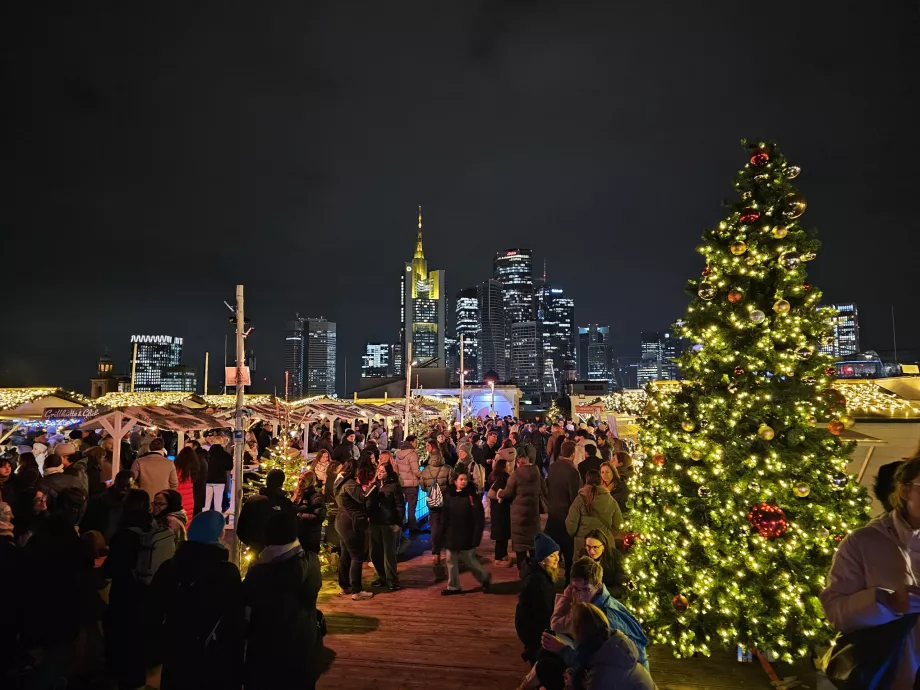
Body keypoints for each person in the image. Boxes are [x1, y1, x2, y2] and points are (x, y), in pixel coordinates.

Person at [820, 455, 920, 689]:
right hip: (889, 675)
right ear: (906, 492)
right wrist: (887, 603)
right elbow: (836, 611)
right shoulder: (862, 543)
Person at [151, 510, 244, 690]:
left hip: (177, 649)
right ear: (218, 536)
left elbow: (153, 610)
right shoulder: (226, 573)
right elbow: (235, 622)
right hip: (214, 654)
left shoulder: (170, 568)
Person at [104, 489, 175, 689]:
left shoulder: (124, 532)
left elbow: (113, 566)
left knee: (123, 636)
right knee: (139, 636)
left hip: (124, 590)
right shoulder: (152, 528)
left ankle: (124, 678)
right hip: (147, 590)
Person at [244, 511, 322, 690]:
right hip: (301, 637)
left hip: (264, 641)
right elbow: (311, 594)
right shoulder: (310, 561)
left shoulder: (258, 568)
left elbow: (248, 601)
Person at [549, 557, 648, 670]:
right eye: (575, 588)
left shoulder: (600, 616)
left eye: (586, 589)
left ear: (599, 586)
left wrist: (563, 650)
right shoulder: (599, 601)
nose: (580, 596)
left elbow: (594, 660)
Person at [552, 602, 656, 690]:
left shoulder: (600, 676)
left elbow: (603, 680)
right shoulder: (617, 644)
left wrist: (572, 685)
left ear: (579, 632)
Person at [441, 469, 491, 595]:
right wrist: (441, 532)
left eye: (465, 479)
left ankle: (484, 576)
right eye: (461, 479)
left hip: (466, 533)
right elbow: (444, 516)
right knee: (450, 560)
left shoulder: (471, 496)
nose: (463, 482)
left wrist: (476, 536)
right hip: (452, 533)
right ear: (455, 481)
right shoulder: (449, 495)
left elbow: (478, 518)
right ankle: (453, 586)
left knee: (469, 560)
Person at [515, 532, 562, 664]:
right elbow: (544, 611)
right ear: (542, 560)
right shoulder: (539, 581)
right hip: (532, 629)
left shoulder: (540, 574)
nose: (557, 559)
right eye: (552, 556)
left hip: (528, 626)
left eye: (558, 554)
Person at [334, 459, 377, 599]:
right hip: (351, 522)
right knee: (356, 556)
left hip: (341, 520)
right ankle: (356, 590)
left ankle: (344, 585)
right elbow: (362, 498)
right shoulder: (351, 484)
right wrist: (374, 486)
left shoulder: (339, 482)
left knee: (345, 555)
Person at [498, 451, 548, 570]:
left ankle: (523, 570)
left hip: (518, 513)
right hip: (533, 512)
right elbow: (545, 491)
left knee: (520, 543)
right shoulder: (537, 473)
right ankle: (535, 569)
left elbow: (508, 492)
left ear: (519, 463)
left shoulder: (516, 474)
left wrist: (500, 493)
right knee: (533, 541)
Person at [546, 440, 582, 581]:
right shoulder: (572, 471)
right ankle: (568, 580)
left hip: (553, 512)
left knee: (554, 549)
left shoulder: (553, 466)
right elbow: (574, 496)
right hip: (566, 515)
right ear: (573, 454)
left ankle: (550, 578)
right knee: (568, 551)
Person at [566, 469, 622, 557]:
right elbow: (618, 523)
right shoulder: (610, 499)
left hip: (584, 545)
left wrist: (577, 536)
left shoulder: (580, 499)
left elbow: (570, 524)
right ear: (601, 481)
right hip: (604, 542)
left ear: (586, 481)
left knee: (584, 567)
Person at [236, 469, 293, 554]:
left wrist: (253, 544)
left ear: (267, 481)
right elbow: (291, 528)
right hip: (278, 553)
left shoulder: (253, 500)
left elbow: (241, 528)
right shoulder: (285, 503)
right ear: (281, 483)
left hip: (256, 551)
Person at [368, 461, 405, 590]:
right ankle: (379, 577)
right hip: (375, 522)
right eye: (378, 470)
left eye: (382, 471)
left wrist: (398, 523)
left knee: (389, 553)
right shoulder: (374, 486)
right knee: (375, 552)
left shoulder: (394, 487)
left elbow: (400, 506)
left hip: (388, 523)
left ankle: (392, 579)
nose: (379, 473)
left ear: (388, 473)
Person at [420, 439, 452, 565]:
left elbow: (422, 486)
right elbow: (451, 484)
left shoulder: (426, 469)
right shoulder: (448, 468)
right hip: (446, 500)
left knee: (434, 526)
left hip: (433, 501)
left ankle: (436, 552)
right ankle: (449, 549)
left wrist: (431, 489)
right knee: (445, 523)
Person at [80, 470, 135, 543]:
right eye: (121, 486)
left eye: (128, 486)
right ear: (115, 483)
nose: (124, 489)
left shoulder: (132, 503)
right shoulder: (98, 501)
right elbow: (86, 526)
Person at [583, 529, 626, 598]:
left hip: (610, 599)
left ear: (604, 546)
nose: (591, 551)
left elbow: (622, 588)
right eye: (588, 546)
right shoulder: (583, 557)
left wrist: (601, 591)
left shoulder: (616, 558)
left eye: (595, 547)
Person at [292, 469, 326, 554]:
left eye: (303, 481)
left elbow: (318, 517)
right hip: (297, 535)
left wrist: (299, 515)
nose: (300, 482)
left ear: (310, 482)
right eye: (299, 479)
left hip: (310, 537)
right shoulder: (296, 494)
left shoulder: (316, 497)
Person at [488, 458, 513, 566]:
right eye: (507, 465)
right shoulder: (502, 478)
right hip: (500, 509)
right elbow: (498, 493)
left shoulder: (498, 477)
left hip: (499, 509)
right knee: (501, 533)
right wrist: (502, 497)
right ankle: (499, 556)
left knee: (503, 532)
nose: (509, 467)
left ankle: (503, 554)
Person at [394, 435, 422, 531]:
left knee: (402, 506)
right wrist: (423, 475)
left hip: (402, 484)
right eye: (415, 442)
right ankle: (413, 527)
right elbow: (416, 471)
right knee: (411, 507)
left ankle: (400, 525)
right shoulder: (412, 454)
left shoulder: (399, 453)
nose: (416, 444)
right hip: (412, 485)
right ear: (411, 442)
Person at [205, 435, 234, 513]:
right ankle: (217, 519)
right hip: (220, 480)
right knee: (218, 502)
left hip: (207, 479)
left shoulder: (206, 454)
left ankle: (204, 519)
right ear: (222, 443)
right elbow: (229, 467)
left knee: (206, 503)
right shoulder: (226, 455)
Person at [174, 446, 199, 517]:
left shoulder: (176, 470)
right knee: (187, 520)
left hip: (178, 500)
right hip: (190, 500)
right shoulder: (193, 472)